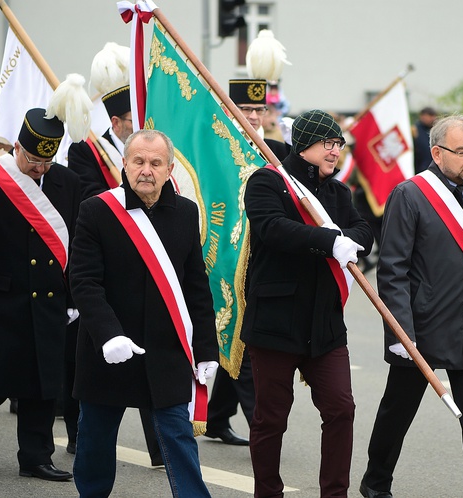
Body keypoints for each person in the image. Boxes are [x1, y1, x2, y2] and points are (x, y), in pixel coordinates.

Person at [360, 114, 463, 498]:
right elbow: (393, 270)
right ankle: (376, 484)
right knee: (398, 411)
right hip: (421, 328)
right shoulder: (410, 194)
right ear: (437, 153)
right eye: (462, 152)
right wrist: (400, 333)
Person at [69, 129, 218, 497]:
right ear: (124, 163)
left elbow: (196, 290)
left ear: (169, 169)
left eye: (155, 163)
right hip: (111, 351)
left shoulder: (186, 212)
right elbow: (85, 283)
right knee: (94, 446)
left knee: (179, 441)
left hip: (165, 353)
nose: (146, 170)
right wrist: (108, 335)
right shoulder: (97, 210)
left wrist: (206, 350)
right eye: (138, 161)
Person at [242, 109, 373, 498]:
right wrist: (328, 239)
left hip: (326, 324)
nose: (335, 152)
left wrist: (348, 236)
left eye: (338, 144)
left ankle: (334, 493)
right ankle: (268, 492)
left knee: (340, 409)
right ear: (305, 145)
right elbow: (272, 228)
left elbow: (363, 226)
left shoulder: (338, 191)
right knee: (270, 420)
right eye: (328, 144)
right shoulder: (267, 182)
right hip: (276, 321)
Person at [0, 108, 80, 481]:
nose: (39, 169)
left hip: (48, 299)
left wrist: (74, 297)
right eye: (33, 159)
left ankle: (35, 457)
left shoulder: (67, 182)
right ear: (16, 147)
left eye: (46, 161)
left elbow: (76, 245)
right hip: (0, 298)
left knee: (43, 384)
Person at [67, 78, 163, 462]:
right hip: (109, 254)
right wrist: (126, 192)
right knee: (98, 387)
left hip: (151, 266)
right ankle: (78, 439)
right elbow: (87, 193)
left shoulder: (150, 161)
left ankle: (160, 450)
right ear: (116, 123)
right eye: (131, 120)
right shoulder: (85, 149)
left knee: (155, 379)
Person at [203, 77, 293, 448]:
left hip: (264, 255)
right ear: (229, 111)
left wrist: (295, 148)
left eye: (261, 109)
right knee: (241, 332)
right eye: (247, 109)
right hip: (224, 255)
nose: (255, 116)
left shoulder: (275, 151)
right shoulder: (213, 150)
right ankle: (264, 426)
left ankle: (216, 416)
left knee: (240, 335)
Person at [413, 107, 438, 174]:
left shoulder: (435, 131)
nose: (433, 118)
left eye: (434, 116)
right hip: (418, 170)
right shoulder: (414, 131)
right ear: (422, 116)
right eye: (430, 115)